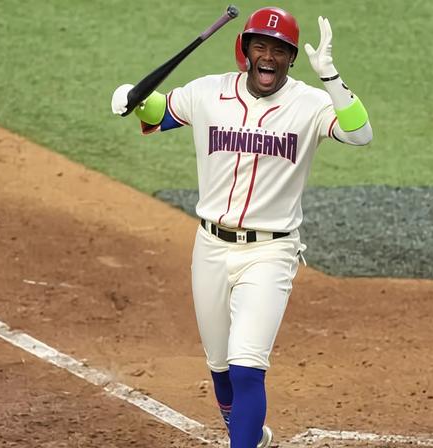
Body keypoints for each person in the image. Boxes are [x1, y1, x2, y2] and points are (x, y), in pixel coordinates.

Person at [111, 6, 372, 448]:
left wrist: (330, 77)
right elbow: (159, 111)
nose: (268, 57)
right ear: (245, 51)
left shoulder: (309, 105)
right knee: (221, 369)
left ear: (290, 58)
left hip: (271, 253)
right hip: (210, 247)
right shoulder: (208, 93)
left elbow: (360, 133)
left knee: (247, 364)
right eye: (260, 47)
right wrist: (130, 97)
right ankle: (250, 435)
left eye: (280, 50)